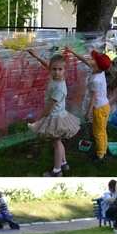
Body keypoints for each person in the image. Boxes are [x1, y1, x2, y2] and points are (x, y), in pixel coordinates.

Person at [27, 49, 81, 177]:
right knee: (58, 142)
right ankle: (64, 163)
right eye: (54, 69)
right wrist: (36, 55)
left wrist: (40, 118)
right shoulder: (55, 77)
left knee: (56, 143)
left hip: (54, 116)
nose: (57, 72)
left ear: (65, 70)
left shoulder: (59, 88)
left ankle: (56, 171)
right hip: (57, 114)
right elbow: (47, 64)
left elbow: (51, 105)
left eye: (60, 70)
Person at [64, 45, 112, 164]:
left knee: (98, 132)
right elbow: (85, 60)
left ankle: (100, 156)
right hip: (105, 106)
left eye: (93, 59)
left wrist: (88, 111)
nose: (90, 59)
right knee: (102, 130)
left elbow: (94, 97)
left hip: (99, 108)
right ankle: (104, 150)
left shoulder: (96, 79)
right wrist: (72, 50)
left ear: (95, 66)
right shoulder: (99, 70)